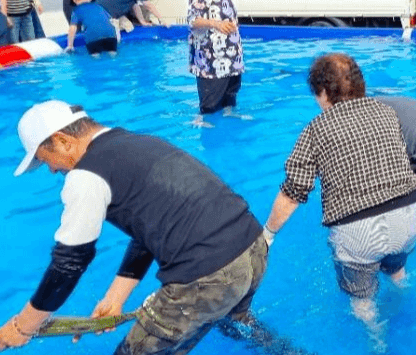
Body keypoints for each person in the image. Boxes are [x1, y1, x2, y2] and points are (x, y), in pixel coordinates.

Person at [3, 101, 267, 354]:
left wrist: (24, 326)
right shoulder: (139, 142)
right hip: (252, 247)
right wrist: (116, 297)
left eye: (45, 158)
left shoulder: (85, 175)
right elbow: (153, 226)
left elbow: (69, 263)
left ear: (63, 141)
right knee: (239, 327)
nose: (50, 170)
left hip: (209, 277)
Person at [263, 54, 416, 347]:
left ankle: (378, 342)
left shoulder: (316, 129)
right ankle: (406, 295)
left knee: (363, 300)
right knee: (396, 269)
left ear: (323, 92)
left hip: (358, 235)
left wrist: (268, 235)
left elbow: (293, 191)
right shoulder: (386, 112)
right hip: (408, 218)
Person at [188, 0, 247, 127]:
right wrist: (216, 24)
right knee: (210, 109)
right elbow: (193, 21)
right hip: (211, 65)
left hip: (231, 62)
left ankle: (228, 126)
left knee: (230, 102)